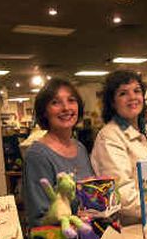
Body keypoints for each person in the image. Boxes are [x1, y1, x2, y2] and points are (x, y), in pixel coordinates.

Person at [91, 70, 147, 226]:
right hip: (135, 228)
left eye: (137, 91)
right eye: (123, 93)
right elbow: (123, 195)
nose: (132, 97)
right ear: (112, 102)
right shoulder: (109, 136)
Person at [23, 78, 94, 228]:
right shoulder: (37, 155)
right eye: (55, 102)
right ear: (44, 111)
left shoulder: (80, 148)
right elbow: (39, 218)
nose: (66, 107)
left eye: (71, 100)